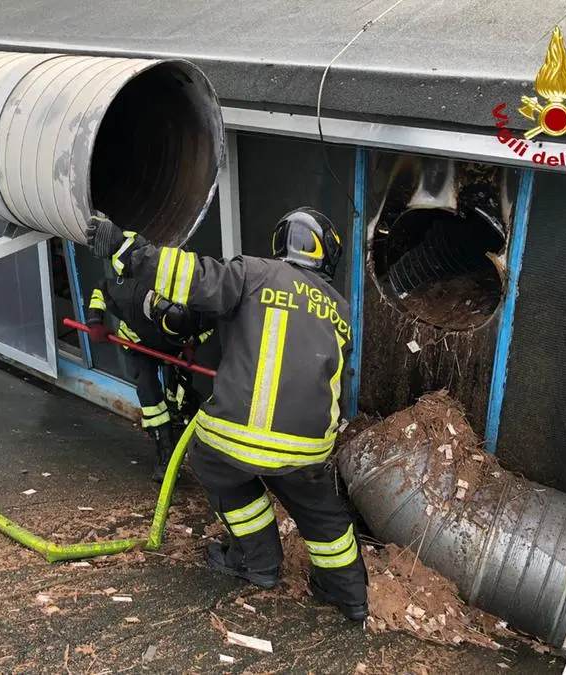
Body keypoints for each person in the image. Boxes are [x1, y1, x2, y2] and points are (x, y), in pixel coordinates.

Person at [85, 208, 369, 622]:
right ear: (328, 257)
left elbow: (190, 276)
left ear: (280, 244)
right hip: (307, 447)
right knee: (320, 511)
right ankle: (350, 595)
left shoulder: (255, 274)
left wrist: (126, 248)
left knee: (215, 467)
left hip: (234, 433)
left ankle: (259, 564)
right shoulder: (340, 311)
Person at [86, 276, 213, 481]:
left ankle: (179, 421)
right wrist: (94, 321)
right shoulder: (129, 292)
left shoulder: (194, 297)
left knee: (180, 391)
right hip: (138, 344)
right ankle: (165, 448)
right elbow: (101, 290)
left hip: (174, 346)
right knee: (148, 392)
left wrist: (192, 342)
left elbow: (210, 326)